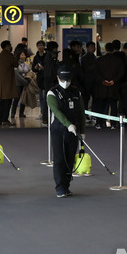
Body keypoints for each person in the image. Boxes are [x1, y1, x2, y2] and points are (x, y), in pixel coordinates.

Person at [47, 64, 86, 198]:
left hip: (73, 131)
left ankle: (67, 185)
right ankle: (60, 187)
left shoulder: (76, 92)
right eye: (63, 80)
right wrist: (68, 124)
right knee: (59, 159)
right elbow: (57, 112)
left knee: (70, 158)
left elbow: (81, 112)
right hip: (58, 130)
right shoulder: (52, 93)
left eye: (68, 80)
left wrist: (83, 131)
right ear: (58, 78)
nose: (66, 82)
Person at [93, 42, 125, 130]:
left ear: (105, 49)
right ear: (113, 49)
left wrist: (103, 80)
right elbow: (121, 72)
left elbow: (96, 72)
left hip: (102, 87)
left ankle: (99, 123)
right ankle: (113, 124)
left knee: (101, 105)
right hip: (114, 87)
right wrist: (114, 81)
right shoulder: (118, 60)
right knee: (113, 106)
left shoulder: (99, 60)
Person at [0, 40, 18, 126]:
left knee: (2, 101)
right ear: (7, 46)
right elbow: (15, 64)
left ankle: (0, 119)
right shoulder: (9, 55)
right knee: (8, 101)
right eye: (10, 45)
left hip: (1, 81)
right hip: (8, 81)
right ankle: (5, 119)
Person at [11, 47, 31, 118]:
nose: (23, 56)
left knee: (23, 99)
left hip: (25, 84)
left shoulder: (27, 65)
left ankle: (21, 113)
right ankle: (13, 113)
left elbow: (29, 73)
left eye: (24, 55)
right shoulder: (16, 64)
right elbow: (17, 75)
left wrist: (27, 80)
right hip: (18, 84)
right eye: (22, 55)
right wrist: (25, 81)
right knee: (16, 99)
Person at [32, 40, 47, 125]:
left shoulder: (46, 56)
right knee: (41, 97)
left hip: (45, 78)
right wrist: (36, 67)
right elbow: (33, 69)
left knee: (44, 97)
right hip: (40, 79)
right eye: (39, 45)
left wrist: (43, 68)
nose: (40, 47)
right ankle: (42, 113)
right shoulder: (36, 57)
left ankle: (45, 114)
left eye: (42, 45)